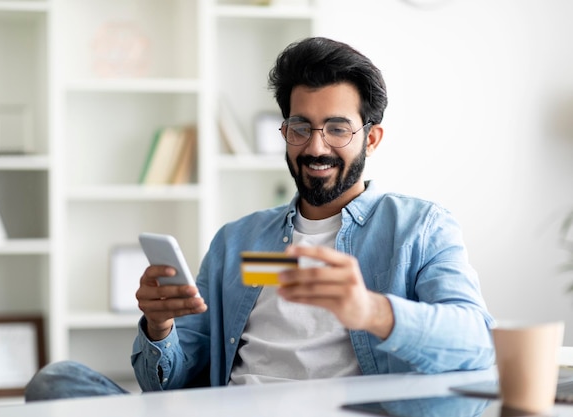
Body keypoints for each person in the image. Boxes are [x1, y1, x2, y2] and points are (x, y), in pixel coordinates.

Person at [25, 36, 494, 401]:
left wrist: (371, 310)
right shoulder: (237, 240)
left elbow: (477, 343)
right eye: (300, 127)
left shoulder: (421, 227)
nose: (315, 147)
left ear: (371, 139)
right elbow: (162, 386)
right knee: (58, 381)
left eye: (336, 128)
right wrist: (158, 328)